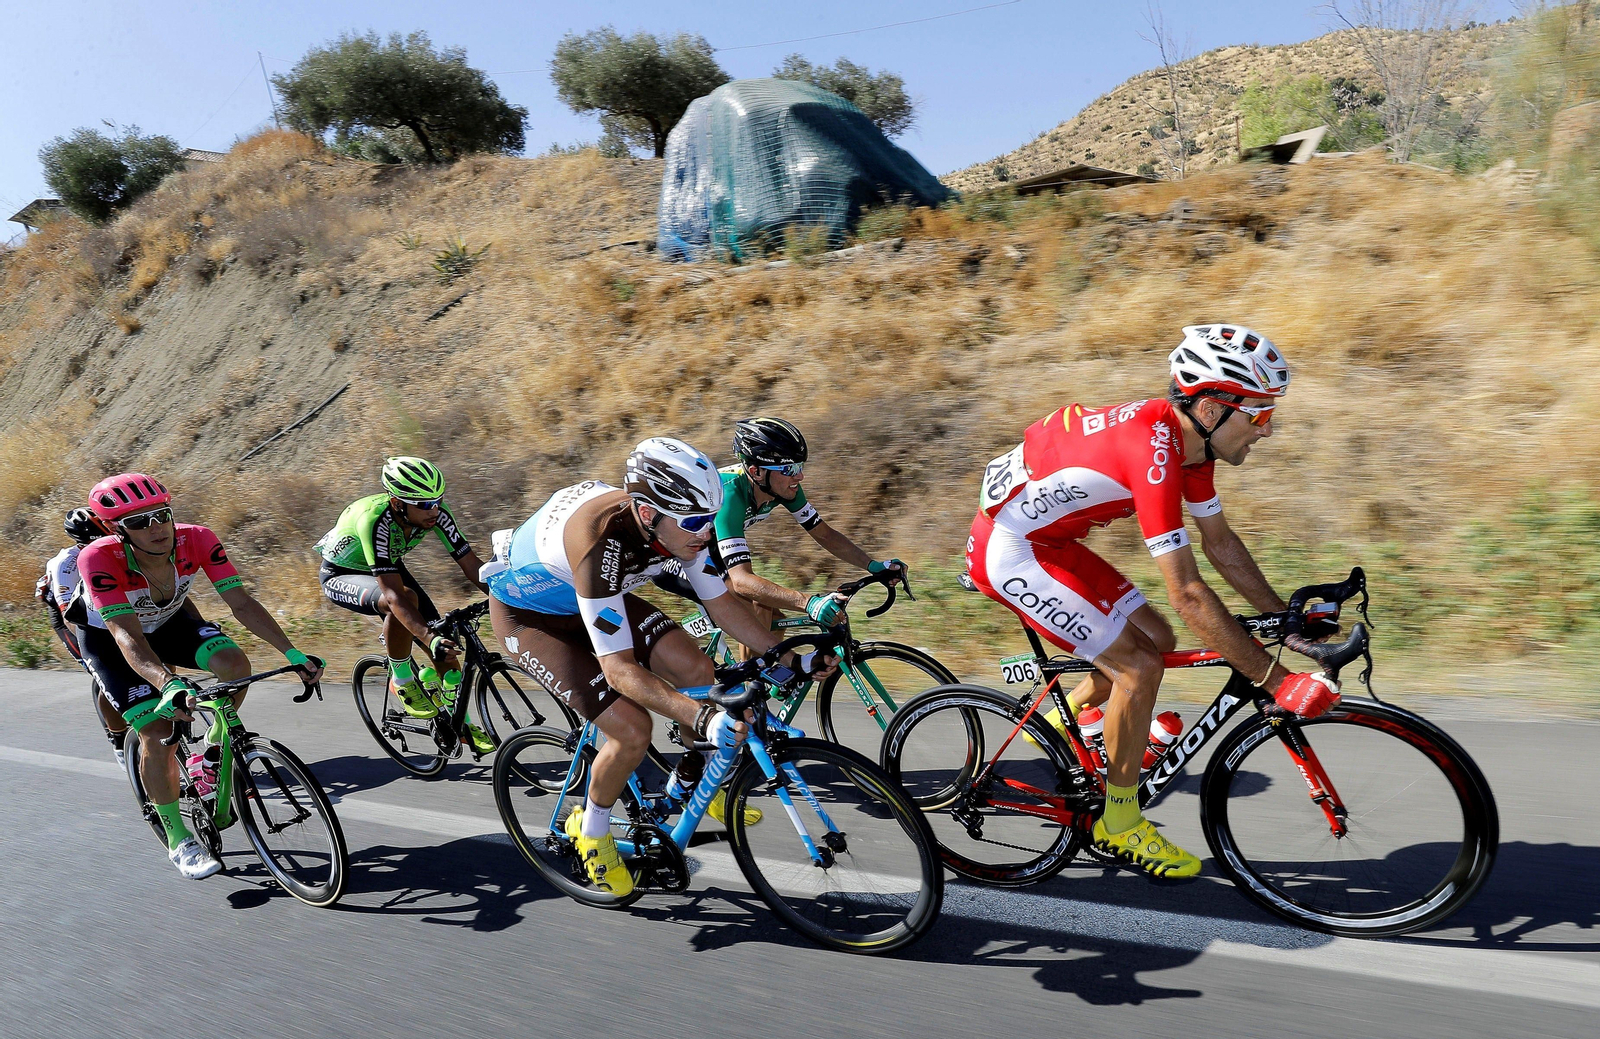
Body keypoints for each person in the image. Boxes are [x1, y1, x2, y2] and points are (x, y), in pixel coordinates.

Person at [966, 324, 1340, 879]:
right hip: (1011, 552)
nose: (1267, 430)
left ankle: (1072, 734)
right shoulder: (1156, 450)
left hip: (1050, 540)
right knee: (1138, 668)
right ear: (1212, 408)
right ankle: (1120, 823)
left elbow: (1221, 544)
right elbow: (1188, 591)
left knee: (1158, 641)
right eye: (1259, 415)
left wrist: (1286, 622)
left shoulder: (1192, 448)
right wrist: (1276, 680)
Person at [484, 437, 834, 897]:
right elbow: (619, 670)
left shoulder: (680, 528)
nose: (706, 533)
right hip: (530, 618)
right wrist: (700, 717)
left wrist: (788, 658)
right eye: (694, 522)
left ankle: (700, 783)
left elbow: (722, 604)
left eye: (710, 519)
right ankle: (592, 830)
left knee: (700, 672)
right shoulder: (599, 544)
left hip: (592, 596)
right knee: (632, 727)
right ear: (648, 514)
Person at [73, 473, 324, 880]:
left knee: (234, 664)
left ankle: (210, 752)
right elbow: (126, 634)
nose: (156, 528)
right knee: (157, 732)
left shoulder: (198, 538)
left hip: (169, 623)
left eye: (161, 515)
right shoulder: (97, 558)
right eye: (138, 522)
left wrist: (293, 653)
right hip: (111, 640)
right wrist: (167, 682)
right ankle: (178, 839)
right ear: (113, 529)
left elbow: (241, 603)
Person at [316, 456, 493, 753]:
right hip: (343, 574)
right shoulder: (374, 520)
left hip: (385, 568)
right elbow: (394, 595)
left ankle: (457, 721)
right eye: (424, 504)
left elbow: (472, 565)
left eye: (438, 501)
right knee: (405, 605)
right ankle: (401, 678)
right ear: (398, 502)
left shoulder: (437, 513)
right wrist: (426, 636)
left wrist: (508, 597)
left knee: (444, 646)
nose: (434, 510)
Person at [700, 417, 905, 648]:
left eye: (799, 467)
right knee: (758, 609)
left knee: (774, 620)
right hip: (679, 554)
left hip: (712, 545)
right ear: (756, 472)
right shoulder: (730, 496)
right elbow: (741, 580)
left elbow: (825, 534)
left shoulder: (783, 486)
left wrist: (873, 565)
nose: (799, 476)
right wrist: (808, 603)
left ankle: (764, 678)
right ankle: (754, 681)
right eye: (789, 469)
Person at [35, 508, 128, 767]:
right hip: (70, 613)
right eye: (98, 540)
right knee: (105, 669)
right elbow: (69, 615)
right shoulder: (66, 563)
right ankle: (118, 740)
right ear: (81, 541)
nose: (106, 543)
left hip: (105, 603)